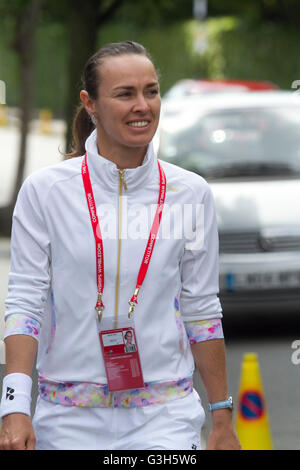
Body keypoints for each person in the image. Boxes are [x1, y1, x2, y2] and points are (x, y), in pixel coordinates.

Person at [0, 41, 241, 450]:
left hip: (165, 414)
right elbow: (24, 304)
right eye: (125, 94)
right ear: (90, 104)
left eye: (151, 91)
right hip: (67, 416)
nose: (143, 105)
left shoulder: (190, 193)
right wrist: (15, 408)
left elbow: (202, 309)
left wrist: (222, 415)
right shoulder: (46, 192)